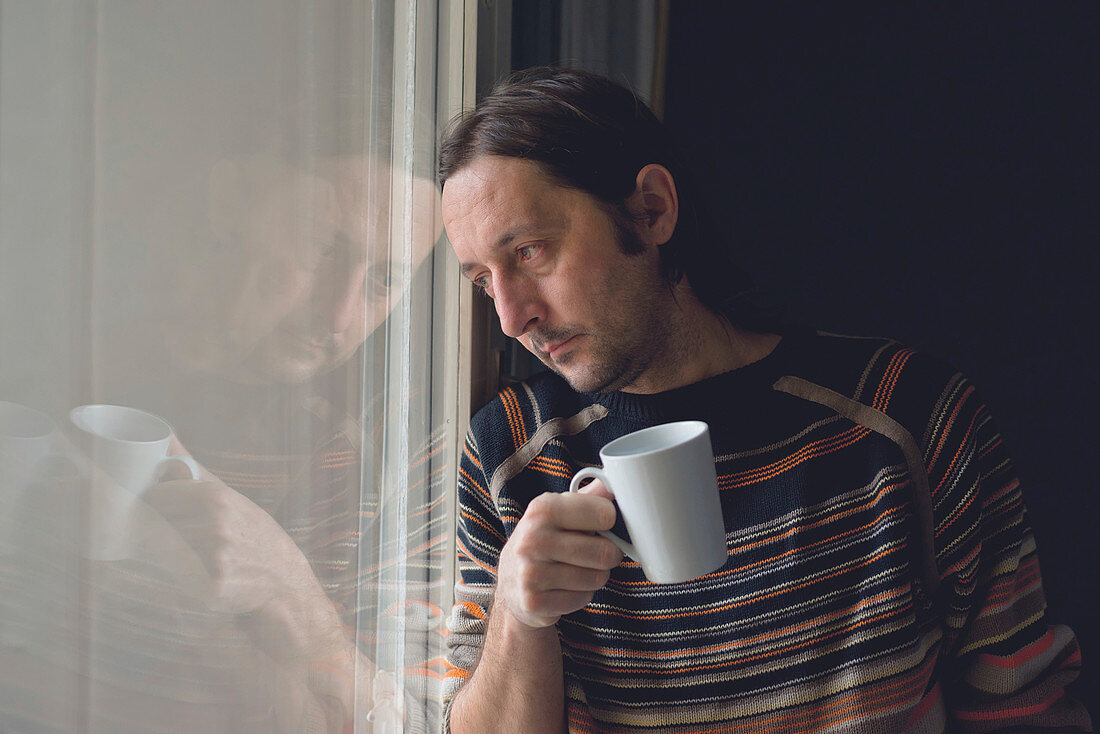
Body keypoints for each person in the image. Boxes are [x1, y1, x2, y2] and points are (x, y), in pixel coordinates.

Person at [437, 67, 1091, 733]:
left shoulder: (907, 415)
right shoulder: (512, 456)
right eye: (484, 281)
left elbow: (1024, 709)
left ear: (652, 209)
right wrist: (521, 615)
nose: (512, 318)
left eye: (531, 252)